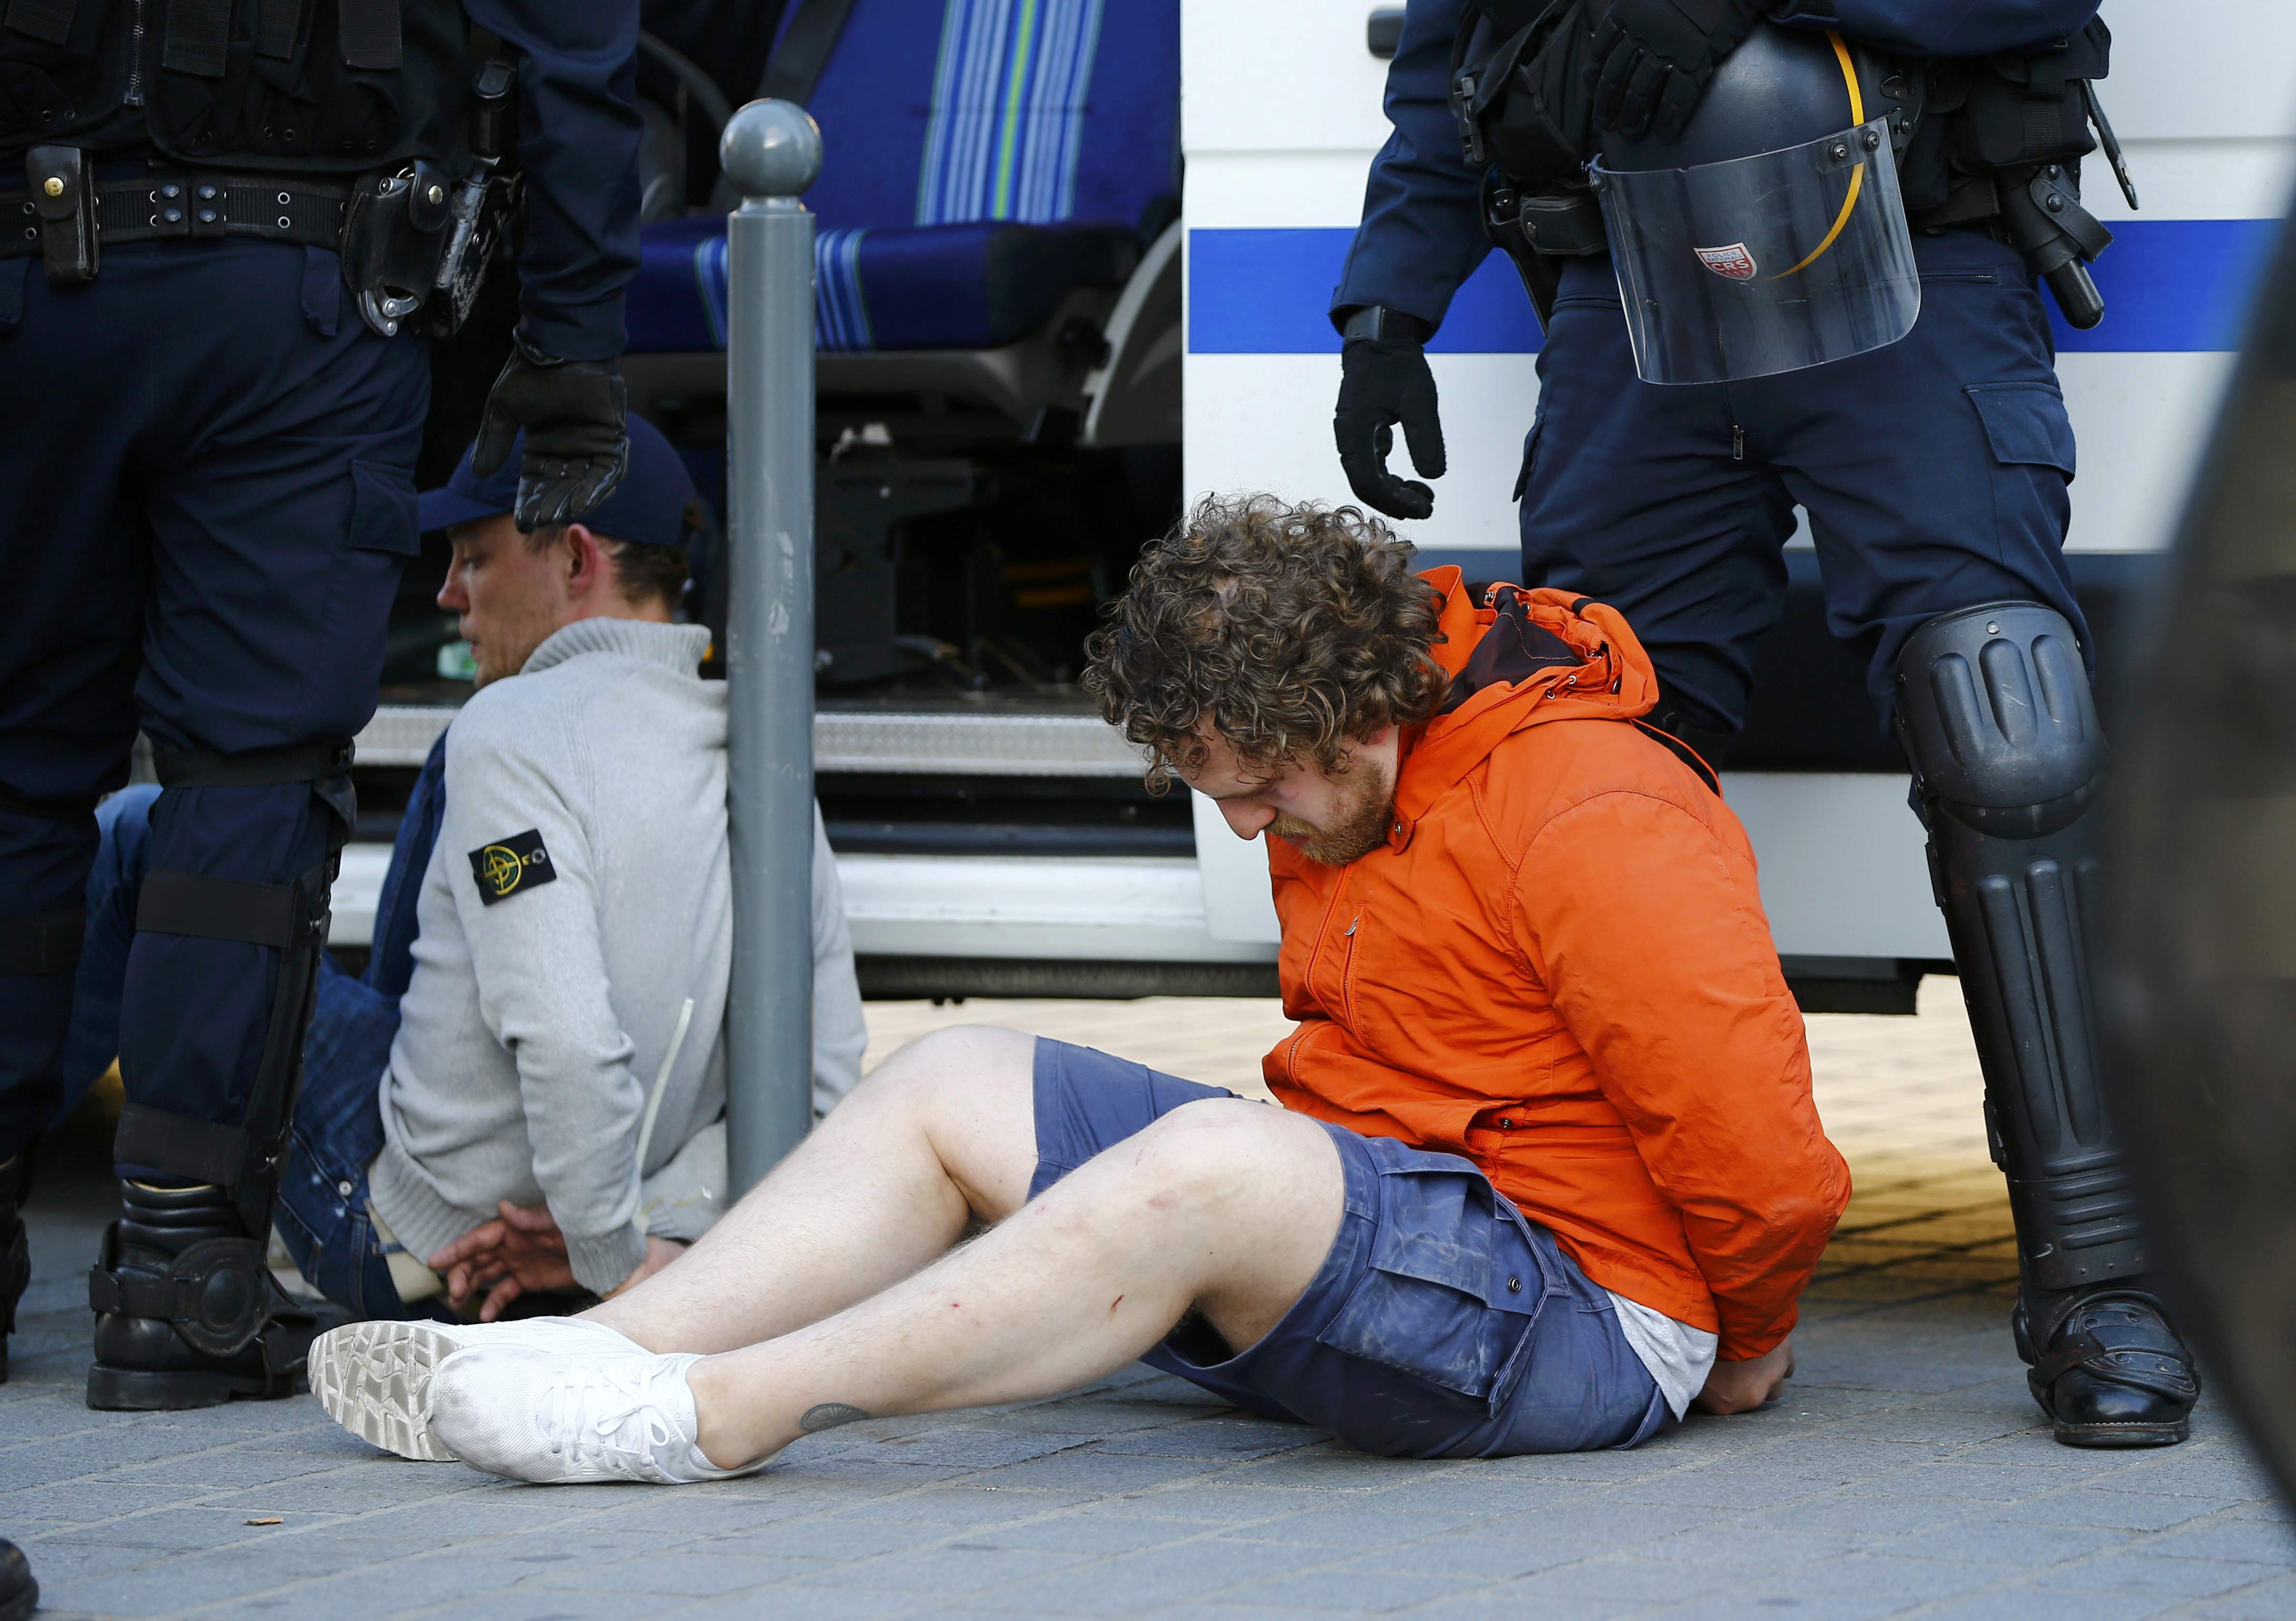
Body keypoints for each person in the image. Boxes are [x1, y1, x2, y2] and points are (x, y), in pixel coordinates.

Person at [308, 495, 1848, 1484]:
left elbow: (1757, 1150)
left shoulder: (1593, 807)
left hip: (1582, 1314)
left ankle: (702, 1418)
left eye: (1256, 791)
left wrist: (1747, 1340)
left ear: (1355, 713)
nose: (1245, 830)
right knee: (952, 1078)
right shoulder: (1343, 774)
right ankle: (599, 1348)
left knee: (1212, 1161)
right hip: (1390, 1235)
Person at [1330, 0, 2197, 1447]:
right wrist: (1387, 306)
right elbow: (1448, 55)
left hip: (1917, 268)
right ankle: (1608, 1273)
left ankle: (2105, 1277)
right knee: (1583, 776)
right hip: (1628, 302)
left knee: (2008, 729)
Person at [0, 3, 648, 1406]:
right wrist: (572, 337)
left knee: (12, 770)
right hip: (298, 296)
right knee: (249, 772)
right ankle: (180, 1279)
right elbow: (571, 40)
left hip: (6, 279)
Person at [62, 416, 868, 1338]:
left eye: (475, 559)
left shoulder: (512, 733)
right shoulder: (763, 765)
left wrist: (611, 1258)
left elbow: (569, 1038)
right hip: (588, 1231)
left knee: (138, 836)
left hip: (421, 1251)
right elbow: (823, 1086)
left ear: (577, 559)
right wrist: (655, 1228)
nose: (447, 593)